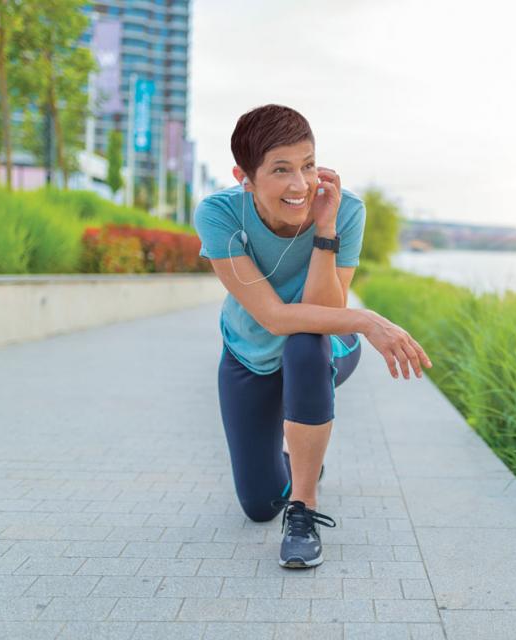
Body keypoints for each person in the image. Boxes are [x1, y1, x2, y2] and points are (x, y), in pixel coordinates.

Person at [194, 104, 432, 568]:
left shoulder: (346, 209)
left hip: (324, 348)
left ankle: (304, 509)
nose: (300, 185)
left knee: (305, 345)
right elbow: (275, 318)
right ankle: (300, 457)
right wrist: (369, 320)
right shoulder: (219, 215)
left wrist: (325, 228)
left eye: (307, 165)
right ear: (244, 175)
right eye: (281, 170)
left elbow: (323, 315)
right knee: (259, 505)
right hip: (250, 355)